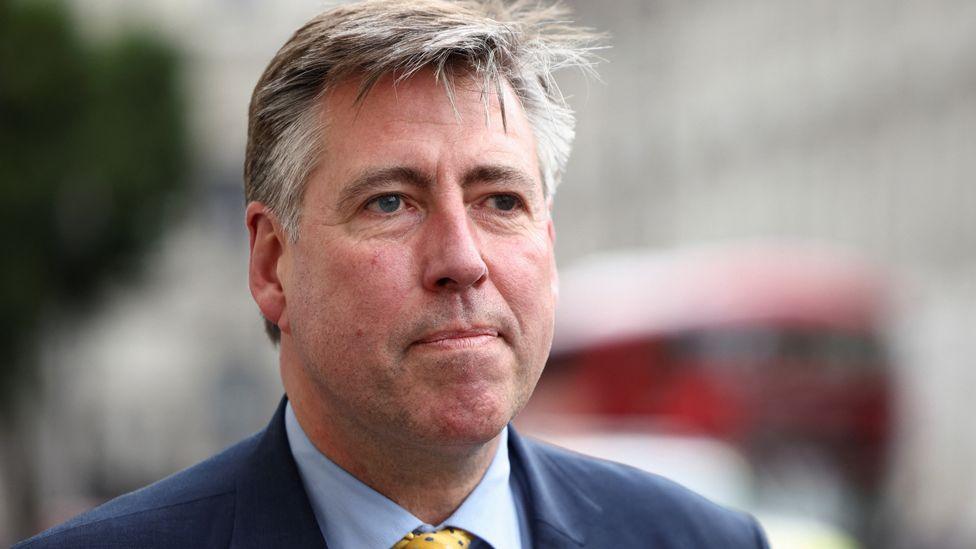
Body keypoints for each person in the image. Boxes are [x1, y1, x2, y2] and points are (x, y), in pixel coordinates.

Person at [17, 1, 769, 547]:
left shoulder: (705, 540)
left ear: (548, 238)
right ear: (272, 263)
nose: (463, 260)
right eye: (391, 202)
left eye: (500, 200)